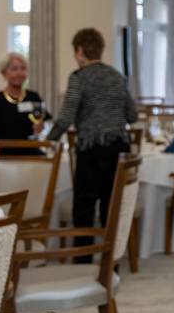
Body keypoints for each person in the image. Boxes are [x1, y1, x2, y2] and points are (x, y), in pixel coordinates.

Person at [47, 28, 137, 262]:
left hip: (91, 150)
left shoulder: (78, 78)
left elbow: (66, 116)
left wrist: (50, 140)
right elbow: (132, 115)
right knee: (112, 206)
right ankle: (111, 263)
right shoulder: (117, 76)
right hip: (118, 149)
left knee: (84, 207)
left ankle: (83, 260)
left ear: (79, 51)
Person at [0, 53, 48, 179]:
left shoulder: (33, 97)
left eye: (23, 68)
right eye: (14, 69)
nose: (19, 73)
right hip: (3, 160)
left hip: (33, 157)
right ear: (4, 73)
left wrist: (40, 126)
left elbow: (41, 123)